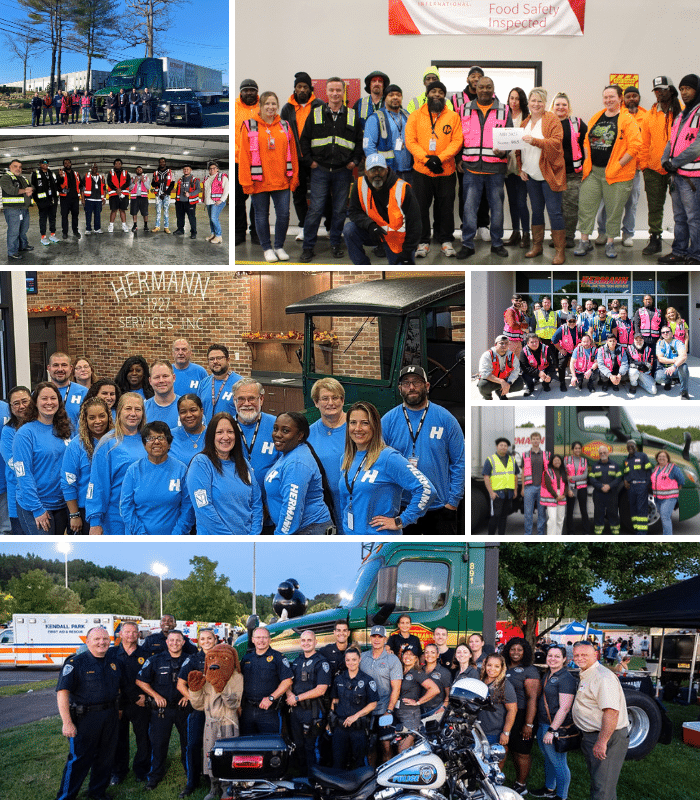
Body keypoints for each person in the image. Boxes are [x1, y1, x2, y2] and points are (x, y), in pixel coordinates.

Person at [382, 365, 464, 535]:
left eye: (416, 382)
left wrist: (453, 502)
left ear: (426, 386)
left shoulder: (446, 419)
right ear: (400, 389)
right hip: (402, 508)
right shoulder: (388, 421)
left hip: (440, 508)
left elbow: (459, 462)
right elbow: (379, 463)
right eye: (406, 383)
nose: (411, 387)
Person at [338, 401, 434, 535]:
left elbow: (427, 489)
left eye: (365, 423)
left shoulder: (388, 457)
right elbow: (346, 499)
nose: (357, 428)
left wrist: (401, 521)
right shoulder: (346, 458)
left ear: (375, 426)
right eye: (353, 422)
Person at [298, 77, 363, 262]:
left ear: (344, 93)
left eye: (338, 90)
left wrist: (355, 161)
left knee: (340, 210)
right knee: (316, 210)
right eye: (331, 90)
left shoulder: (352, 115)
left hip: (343, 171)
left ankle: (335, 243)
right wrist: (309, 161)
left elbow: (359, 141)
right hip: (320, 171)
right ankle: (308, 247)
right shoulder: (315, 113)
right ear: (325, 92)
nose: (335, 93)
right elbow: (304, 140)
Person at [574, 84, 642, 259]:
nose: (608, 100)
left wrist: (618, 165)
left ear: (620, 98)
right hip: (593, 172)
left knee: (614, 210)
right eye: (605, 97)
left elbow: (635, 147)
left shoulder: (627, 119)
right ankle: (584, 241)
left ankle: (610, 243)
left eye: (612, 97)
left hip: (618, 175)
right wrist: (588, 160)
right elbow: (587, 141)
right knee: (586, 206)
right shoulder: (597, 116)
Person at [54, 627, 122, 800]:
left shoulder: (113, 662)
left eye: (105, 639)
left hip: (109, 716)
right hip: (85, 718)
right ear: (87, 641)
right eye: (97, 639)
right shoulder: (75, 663)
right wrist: (67, 722)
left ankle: (97, 792)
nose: (102, 642)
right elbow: (62, 692)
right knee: (79, 760)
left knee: (106, 758)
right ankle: (65, 797)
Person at [406, 79, 463, 258]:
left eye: (440, 92)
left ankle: (445, 241)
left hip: (446, 170)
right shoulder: (415, 115)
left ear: (444, 95)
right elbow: (410, 141)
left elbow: (457, 141)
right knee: (421, 207)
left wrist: (439, 159)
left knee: (445, 207)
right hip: (421, 171)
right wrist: (426, 160)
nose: (437, 94)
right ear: (427, 94)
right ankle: (422, 242)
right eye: (433, 91)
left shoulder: (453, 116)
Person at [239, 91, 298, 262]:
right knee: (261, 215)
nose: (270, 107)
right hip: (259, 182)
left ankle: (279, 246)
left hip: (281, 180)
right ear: (260, 106)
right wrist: (246, 182)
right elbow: (244, 156)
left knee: (284, 215)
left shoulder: (285, 126)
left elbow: (292, 154)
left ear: (277, 106)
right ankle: (267, 248)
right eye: (267, 104)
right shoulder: (249, 126)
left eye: (274, 104)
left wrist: (294, 177)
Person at [457, 75, 511, 259]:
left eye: (488, 87)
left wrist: (505, 151)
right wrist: (458, 158)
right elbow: (458, 138)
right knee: (469, 208)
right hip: (471, 168)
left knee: (497, 209)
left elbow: (510, 137)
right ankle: (467, 244)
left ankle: (497, 244)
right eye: (481, 87)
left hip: (495, 169)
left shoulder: (504, 110)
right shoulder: (463, 109)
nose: (485, 90)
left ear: (493, 88)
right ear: (475, 88)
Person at [186, 412, 263, 535]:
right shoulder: (201, 463)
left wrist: (252, 537)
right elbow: (204, 508)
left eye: (230, 432)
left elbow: (256, 502)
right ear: (211, 436)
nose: (226, 437)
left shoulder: (243, 463)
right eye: (219, 432)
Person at [572, 641, 629, 800]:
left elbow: (611, 712)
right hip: (593, 736)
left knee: (602, 788)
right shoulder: (588, 672)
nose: (579, 658)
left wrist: (602, 741)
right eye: (576, 655)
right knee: (600, 782)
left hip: (607, 737)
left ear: (595, 655)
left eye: (584, 655)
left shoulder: (602, 677)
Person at [135, 629, 191, 791]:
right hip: (161, 711)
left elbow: (200, 681)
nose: (174, 643)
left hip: (184, 709)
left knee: (188, 744)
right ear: (167, 642)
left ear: (183, 642)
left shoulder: (190, 660)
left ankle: (191, 775)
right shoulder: (155, 660)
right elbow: (140, 680)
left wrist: (189, 696)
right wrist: (155, 695)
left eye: (178, 640)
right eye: (171, 640)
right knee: (158, 745)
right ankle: (154, 777)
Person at [186, 642, 243, 800]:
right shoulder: (208, 676)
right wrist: (195, 689)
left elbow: (234, 703)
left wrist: (221, 686)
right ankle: (214, 786)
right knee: (210, 754)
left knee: (227, 755)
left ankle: (227, 786)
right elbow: (197, 705)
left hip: (228, 723)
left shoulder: (236, 677)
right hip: (210, 723)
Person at [516, 87, 567, 264]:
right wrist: (520, 168)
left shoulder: (551, 119)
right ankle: (537, 246)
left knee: (554, 213)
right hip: (531, 175)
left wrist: (535, 141)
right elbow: (519, 148)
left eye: (540, 101)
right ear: (528, 102)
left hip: (550, 174)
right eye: (533, 100)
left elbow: (556, 142)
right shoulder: (525, 123)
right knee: (536, 211)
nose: (536, 104)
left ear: (545, 103)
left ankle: (560, 251)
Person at [86, 392, 147, 535]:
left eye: (137, 409)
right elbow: (98, 484)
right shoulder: (108, 444)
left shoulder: (148, 441)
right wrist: (95, 521)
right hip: (116, 517)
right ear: (119, 412)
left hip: (145, 516)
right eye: (128, 408)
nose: (133, 413)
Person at [13, 382, 71, 535]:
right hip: (35, 506)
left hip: (61, 504)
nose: (49, 402)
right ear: (36, 402)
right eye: (44, 398)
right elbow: (23, 473)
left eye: (53, 398)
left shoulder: (66, 429)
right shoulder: (25, 433)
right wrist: (37, 508)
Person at [593, 85, 646, 248]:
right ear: (624, 98)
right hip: (611, 169)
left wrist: (641, 164)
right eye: (629, 96)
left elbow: (644, 144)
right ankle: (603, 232)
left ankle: (627, 234)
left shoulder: (646, 116)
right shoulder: (610, 116)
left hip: (633, 170)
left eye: (634, 96)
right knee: (606, 203)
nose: (632, 99)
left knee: (631, 203)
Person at [265, 411, 334, 535]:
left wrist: (280, 537)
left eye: (285, 431)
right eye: (275, 429)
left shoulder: (296, 463)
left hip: (309, 530)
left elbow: (292, 508)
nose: (277, 434)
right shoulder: (290, 453)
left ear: (300, 435)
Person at [344, 153, 420, 264]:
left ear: (387, 169)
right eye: (372, 170)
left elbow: (415, 223)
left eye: (380, 169)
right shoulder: (359, 185)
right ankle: (363, 269)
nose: (377, 174)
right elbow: (354, 212)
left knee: (401, 274)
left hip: (396, 240)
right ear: (366, 172)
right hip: (373, 233)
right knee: (349, 230)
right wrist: (370, 225)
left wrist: (407, 251)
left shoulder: (403, 188)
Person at [120, 421, 193, 535]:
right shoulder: (133, 471)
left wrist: (177, 536)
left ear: (169, 444)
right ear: (144, 444)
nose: (156, 442)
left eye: (161, 437)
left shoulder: (182, 470)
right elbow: (126, 508)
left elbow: (188, 507)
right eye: (150, 438)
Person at [658, 74, 700, 265]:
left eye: (688, 88)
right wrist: (665, 160)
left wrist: (674, 163)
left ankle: (696, 254)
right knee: (680, 218)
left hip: (693, 177)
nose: (684, 92)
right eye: (682, 89)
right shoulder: (683, 114)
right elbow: (672, 140)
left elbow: (697, 146)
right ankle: (679, 251)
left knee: (694, 218)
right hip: (677, 177)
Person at [176, 628, 220, 797]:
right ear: (198, 641)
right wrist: (194, 700)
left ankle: (214, 779)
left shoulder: (222, 658)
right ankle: (191, 782)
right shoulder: (192, 659)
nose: (206, 641)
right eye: (203, 638)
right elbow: (181, 684)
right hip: (199, 710)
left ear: (215, 639)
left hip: (217, 709)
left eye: (210, 638)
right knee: (193, 744)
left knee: (216, 745)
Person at [640, 77, 681, 256]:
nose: (659, 93)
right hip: (653, 170)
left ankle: (681, 242)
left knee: (681, 208)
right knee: (654, 206)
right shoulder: (649, 115)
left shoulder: (683, 112)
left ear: (671, 90)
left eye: (663, 89)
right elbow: (643, 143)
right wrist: (643, 165)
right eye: (656, 90)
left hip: (678, 170)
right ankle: (655, 239)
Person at [280, 71, 325, 234]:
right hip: (295, 159)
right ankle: (305, 227)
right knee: (298, 195)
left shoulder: (319, 105)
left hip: (316, 160)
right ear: (295, 89)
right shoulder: (287, 108)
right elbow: (283, 133)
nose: (302, 90)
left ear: (310, 89)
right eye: (299, 86)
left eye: (305, 87)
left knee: (321, 194)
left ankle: (326, 226)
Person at [233, 378, 280, 531]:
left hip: (271, 513)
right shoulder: (224, 429)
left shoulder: (278, 426)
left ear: (261, 399)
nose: (246, 403)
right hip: (235, 514)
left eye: (251, 398)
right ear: (234, 401)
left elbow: (285, 469)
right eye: (241, 399)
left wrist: (267, 505)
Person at [108, 620, 151, 787]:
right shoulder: (111, 654)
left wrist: (146, 698)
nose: (131, 635)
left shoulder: (146, 654)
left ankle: (142, 770)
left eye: (134, 632)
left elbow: (150, 678)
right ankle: (118, 772)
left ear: (138, 634)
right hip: (118, 705)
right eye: (127, 632)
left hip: (139, 704)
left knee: (143, 738)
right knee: (118, 739)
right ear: (120, 634)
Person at [531, 645, 577, 800]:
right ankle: (549, 789)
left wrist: (551, 730)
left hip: (554, 726)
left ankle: (561, 796)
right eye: (550, 655)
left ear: (564, 659)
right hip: (543, 723)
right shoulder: (547, 674)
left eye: (557, 656)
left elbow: (564, 708)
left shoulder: (566, 679)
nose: (552, 659)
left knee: (559, 763)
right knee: (549, 759)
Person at [62, 397, 113, 535]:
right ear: (85, 419)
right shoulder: (76, 445)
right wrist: (74, 515)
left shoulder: (116, 441)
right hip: (83, 511)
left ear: (109, 416)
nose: (98, 421)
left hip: (111, 510)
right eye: (92, 417)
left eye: (102, 416)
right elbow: (68, 482)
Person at [285, 630, 331, 775]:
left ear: (315, 642)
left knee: (312, 747)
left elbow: (321, 689)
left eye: (309, 640)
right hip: (296, 711)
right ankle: (303, 778)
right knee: (299, 746)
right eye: (303, 640)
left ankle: (316, 780)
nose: (306, 643)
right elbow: (288, 681)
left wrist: (297, 698)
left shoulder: (322, 662)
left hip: (313, 711)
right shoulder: (297, 661)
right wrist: (289, 693)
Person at [307, 378, 346, 534]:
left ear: (342, 400)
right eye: (325, 398)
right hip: (325, 509)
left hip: (355, 505)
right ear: (316, 403)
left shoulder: (358, 428)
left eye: (335, 397)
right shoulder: (309, 434)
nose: (331, 402)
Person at [359, 625, 402, 765]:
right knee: (369, 748)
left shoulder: (392, 660)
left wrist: (389, 711)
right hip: (365, 710)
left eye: (380, 637)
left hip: (384, 709)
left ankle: (386, 779)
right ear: (370, 638)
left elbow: (396, 688)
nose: (377, 640)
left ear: (385, 639)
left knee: (386, 747)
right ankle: (370, 779)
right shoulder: (362, 657)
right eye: (374, 636)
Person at [330, 646, 378, 769]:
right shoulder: (339, 679)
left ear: (359, 659)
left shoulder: (367, 680)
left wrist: (355, 716)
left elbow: (373, 704)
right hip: (340, 728)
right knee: (338, 761)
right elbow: (334, 700)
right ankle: (339, 787)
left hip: (358, 729)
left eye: (354, 660)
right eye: (348, 660)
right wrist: (330, 719)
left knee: (359, 762)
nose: (351, 663)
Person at [503, 638, 540, 797]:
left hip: (523, 714)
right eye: (512, 649)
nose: (515, 652)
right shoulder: (503, 666)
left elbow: (532, 698)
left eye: (519, 650)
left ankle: (521, 784)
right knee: (506, 749)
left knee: (521, 752)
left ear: (525, 652)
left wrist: (529, 724)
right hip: (505, 713)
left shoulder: (529, 670)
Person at [239, 626, 293, 734]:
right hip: (248, 710)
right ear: (253, 639)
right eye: (258, 637)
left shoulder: (278, 657)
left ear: (269, 639)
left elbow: (287, 681)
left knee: (270, 746)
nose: (261, 640)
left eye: (264, 637)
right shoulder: (246, 659)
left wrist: (271, 698)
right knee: (248, 745)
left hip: (269, 711)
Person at [364, 84, 413, 180]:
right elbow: (369, 146)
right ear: (384, 98)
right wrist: (378, 169)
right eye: (391, 95)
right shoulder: (375, 118)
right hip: (387, 171)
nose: (395, 97)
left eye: (398, 95)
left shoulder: (408, 116)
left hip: (409, 171)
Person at [1, 386, 32, 535]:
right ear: (11, 408)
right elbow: (14, 464)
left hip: (46, 496)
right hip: (19, 497)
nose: (21, 406)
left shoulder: (42, 425)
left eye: (25, 401)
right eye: (16, 403)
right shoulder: (8, 431)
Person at [395, 649, 439, 752]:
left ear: (416, 659)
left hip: (410, 715)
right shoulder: (399, 671)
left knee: (402, 750)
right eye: (405, 654)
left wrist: (418, 702)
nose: (408, 656)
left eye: (411, 654)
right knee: (397, 747)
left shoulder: (417, 672)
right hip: (397, 713)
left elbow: (434, 689)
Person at [478, 654, 517, 765]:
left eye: (496, 666)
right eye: (489, 665)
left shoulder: (505, 686)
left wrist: (506, 732)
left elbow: (512, 710)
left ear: (502, 668)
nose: (492, 669)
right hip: (477, 730)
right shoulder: (480, 680)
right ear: (485, 666)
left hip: (494, 732)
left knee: (493, 764)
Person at [505, 87, 531, 248]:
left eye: (517, 98)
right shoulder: (504, 115)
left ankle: (526, 234)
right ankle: (515, 232)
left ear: (522, 101)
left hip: (522, 166)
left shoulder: (527, 118)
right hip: (507, 165)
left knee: (522, 202)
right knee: (512, 202)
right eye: (511, 98)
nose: (513, 101)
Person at [235, 78, 260, 246]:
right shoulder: (233, 108)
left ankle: (257, 233)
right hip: (238, 161)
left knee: (258, 200)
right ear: (241, 92)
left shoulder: (263, 106)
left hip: (259, 162)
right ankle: (239, 233)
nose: (249, 92)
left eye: (252, 90)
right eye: (246, 90)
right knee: (238, 200)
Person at [483, 437, 519, 534]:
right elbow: (486, 477)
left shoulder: (512, 460)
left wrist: (515, 490)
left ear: (507, 447)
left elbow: (515, 476)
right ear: (497, 447)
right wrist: (491, 492)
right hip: (497, 494)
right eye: (501, 445)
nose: (503, 447)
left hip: (509, 493)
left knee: (504, 517)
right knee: (495, 516)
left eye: (505, 446)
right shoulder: (490, 459)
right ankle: (491, 538)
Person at [197, 344, 243, 420]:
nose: (215, 361)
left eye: (219, 358)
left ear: (228, 360)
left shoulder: (240, 384)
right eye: (211, 359)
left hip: (230, 431)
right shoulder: (203, 383)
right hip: (207, 431)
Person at [1, 158, 33, 260]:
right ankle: (12, 252)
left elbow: (31, 186)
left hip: (24, 208)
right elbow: (11, 190)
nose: (18, 169)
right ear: (10, 167)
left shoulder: (23, 178)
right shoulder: (5, 178)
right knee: (14, 231)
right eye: (15, 166)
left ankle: (23, 246)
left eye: (20, 167)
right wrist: (26, 190)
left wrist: (31, 189)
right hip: (12, 209)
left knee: (23, 229)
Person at [47, 351, 88, 431]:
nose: (60, 369)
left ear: (71, 368)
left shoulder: (84, 392)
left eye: (64, 365)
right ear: (49, 368)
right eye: (56, 365)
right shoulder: (39, 394)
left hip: (75, 441)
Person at [520, 430, 549, 535]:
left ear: (540, 440)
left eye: (537, 439)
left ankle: (540, 533)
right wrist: (523, 488)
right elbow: (523, 473)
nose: (535, 441)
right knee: (528, 513)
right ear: (530, 440)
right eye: (533, 439)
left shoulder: (546, 454)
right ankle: (528, 534)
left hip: (542, 487)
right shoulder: (525, 455)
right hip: (529, 488)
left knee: (542, 513)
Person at [477, 335, 524, 400]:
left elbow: (516, 370)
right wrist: (501, 381)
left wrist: (509, 383)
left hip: (505, 379)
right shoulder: (487, 355)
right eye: (501, 343)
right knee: (483, 385)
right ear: (495, 344)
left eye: (506, 343)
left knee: (519, 383)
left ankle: (501, 392)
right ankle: (488, 397)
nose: (504, 345)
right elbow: (484, 373)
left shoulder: (512, 355)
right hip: (492, 380)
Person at [651, 449, 686, 535]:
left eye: (664, 456)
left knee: (665, 517)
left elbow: (681, 480)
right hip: (658, 499)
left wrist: (676, 491)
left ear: (667, 458)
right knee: (664, 518)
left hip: (669, 498)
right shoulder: (656, 468)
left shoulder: (672, 468)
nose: (661, 458)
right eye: (659, 456)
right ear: (657, 458)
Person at [590, 445, 622, 535]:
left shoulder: (615, 465)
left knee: (613, 512)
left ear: (608, 453)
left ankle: (615, 531)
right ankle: (598, 531)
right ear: (599, 454)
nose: (602, 454)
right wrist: (601, 486)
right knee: (598, 512)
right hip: (599, 493)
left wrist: (609, 486)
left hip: (611, 493)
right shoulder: (595, 466)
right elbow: (592, 479)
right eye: (601, 453)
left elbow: (619, 478)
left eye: (604, 452)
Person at [623, 440, 652, 534]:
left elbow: (649, 470)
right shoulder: (626, 460)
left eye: (632, 446)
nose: (630, 447)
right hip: (631, 488)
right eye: (628, 446)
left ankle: (642, 533)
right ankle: (636, 529)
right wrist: (625, 480)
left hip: (641, 486)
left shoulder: (642, 456)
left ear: (636, 446)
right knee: (633, 508)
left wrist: (646, 484)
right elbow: (626, 473)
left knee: (641, 509)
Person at [169, 394, 206, 466]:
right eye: (183, 412)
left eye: (193, 410)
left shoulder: (214, 434)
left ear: (201, 411)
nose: (188, 415)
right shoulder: (169, 436)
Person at [656, 324, 690, 399]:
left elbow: (684, 356)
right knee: (658, 378)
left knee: (684, 367)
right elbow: (660, 359)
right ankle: (668, 381)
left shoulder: (678, 343)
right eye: (663, 332)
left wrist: (674, 366)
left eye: (667, 332)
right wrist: (675, 360)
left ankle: (684, 391)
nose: (665, 334)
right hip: (665, 369)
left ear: (671, 333)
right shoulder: (660, 344)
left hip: (676, 368)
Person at [31, 158, 60, 245]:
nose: (45, 164)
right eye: (43, 163)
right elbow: (33, 187)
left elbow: (56, 184)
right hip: (42, 201)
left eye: (47, 163)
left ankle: (52, 235)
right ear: (40, 164)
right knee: (43, 219)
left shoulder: (52, 173)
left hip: (52, 200)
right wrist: (37, 201)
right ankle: (43, 237)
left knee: (52, 218)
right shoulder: (36, 174)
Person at [551, 314, 584, 391]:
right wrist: (560, 349)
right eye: (570, 321)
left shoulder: (579, 328)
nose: (572, 323)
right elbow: (553, 340)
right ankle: (562, 382)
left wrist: (581, 343)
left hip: (576, 351)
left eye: (574, 321)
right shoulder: (562, 329)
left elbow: (586, 338)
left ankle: (579, 379)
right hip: (565, 350)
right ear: (566, 321)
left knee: (580, 363)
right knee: (562, 364)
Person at [144, 360, 179, 429]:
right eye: (157, 377)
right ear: (150, 381)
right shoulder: (142, 409)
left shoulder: (185, 407)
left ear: (174, 378)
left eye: (165, 376)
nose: (161, 380)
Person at [565, 441, 591, 534]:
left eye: (579, 448)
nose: (577, 450)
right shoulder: (566, 460)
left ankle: (586, 531)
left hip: (582, 488)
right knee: (570, 510)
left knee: (583, 510)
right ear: (572, 450)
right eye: (576, 448)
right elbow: (565, 475)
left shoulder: (584, 460)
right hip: (571, 488)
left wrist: (572, 477)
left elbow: (585, 475)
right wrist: (568, 489)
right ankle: (570, 531)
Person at [422, 643, 452, 720]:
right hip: (419, 710)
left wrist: (443, 707)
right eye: (427, 652)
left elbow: (448, 694)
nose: (429, 655)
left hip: (435, 710)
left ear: (438, 655)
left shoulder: (444, 672)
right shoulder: (419, 670)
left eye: (433, 652)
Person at [541, 454, 568, 535]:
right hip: (552, 496)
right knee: (552, 518)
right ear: (552, 462)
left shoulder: (563, 472)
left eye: (559, 460)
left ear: (561, 462)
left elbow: (566, 484)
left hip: (562, 496)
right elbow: (548, 485)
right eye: (555, 460)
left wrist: (564, 495)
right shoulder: (548, 471)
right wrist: (556, 496)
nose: (557, 462)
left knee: (560, 519)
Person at [203, 161, 228, 245]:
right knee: (211, 219)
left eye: (214, 168)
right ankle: (213, 234)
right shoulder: (207, 178)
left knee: (214, 218)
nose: (212, 170)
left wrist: (222, 200)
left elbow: (227, 189)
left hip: (217, 202)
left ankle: (218, 236)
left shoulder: (222, 177)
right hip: (209, 202)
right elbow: (206, 191)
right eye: (210, 169)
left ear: (217, 169)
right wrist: (205, 201)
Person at [173, 165, 201, 239]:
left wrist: (190, 194)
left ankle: (193, 232)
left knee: (191, 218)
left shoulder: (195, 180)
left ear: (190, 170)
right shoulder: (180, 180)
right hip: (179, 202)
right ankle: (180, 230)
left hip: (190, 202)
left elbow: (198, 190)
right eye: (184, 169)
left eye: (187, 169)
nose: (186, 170)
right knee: (180, 217)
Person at [58, 158, 82, 239]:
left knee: (75, 215)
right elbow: (57, 185)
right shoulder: (61, 173)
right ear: (64, 165)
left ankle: (75, 231)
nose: (67, 164)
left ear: (71, 164)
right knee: (64, 216)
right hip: (64, 199)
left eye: (68, 163)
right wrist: (60, 177)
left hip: (75, 198)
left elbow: (81, 185)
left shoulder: (76, 174)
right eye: (65, 163)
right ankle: (65, 232)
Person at [107, 158, 131, 233]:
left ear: (121, 164)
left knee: (122, 210)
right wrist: (116, 189)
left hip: (124, 194)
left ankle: (124, 225)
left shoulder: (126, 172)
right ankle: (111, 226)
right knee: (113, 210)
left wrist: (121, 189)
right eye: (116, 163)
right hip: (114, 194)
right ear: (114, 165)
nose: (118, 165)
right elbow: (109, 182)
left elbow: (128, 182)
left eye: (119, 163)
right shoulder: (110, 173)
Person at [81, 162, 105, 235]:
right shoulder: (85, 176)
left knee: (97, 215)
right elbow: (81, 188)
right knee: (88, 215)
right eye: (93, 167)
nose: (95, 168)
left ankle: (97, 228)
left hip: (98, 200)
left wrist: (104, 198)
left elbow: (104, 188)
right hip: (89, 199)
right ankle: (88, 229)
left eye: (96, 167)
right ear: (90, 168)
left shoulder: (101, 177)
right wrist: (82, 199)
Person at [151, 157, 175, 233]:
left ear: (165, 163)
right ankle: (157, 226)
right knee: (158, 211)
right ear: (159, 163)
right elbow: (152, 184)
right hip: (158, 195)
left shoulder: (170, 172)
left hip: (166, 195)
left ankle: (166, 227)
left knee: (166, 211)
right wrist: (157, 183)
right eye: (160, 162)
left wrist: (165, 193)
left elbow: (172, 184)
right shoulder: (155, 173)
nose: (162, 163)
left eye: (163, 162)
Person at [503, 294, 529, 358]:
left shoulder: (520, 312)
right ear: (512, 300)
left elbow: (526, 325)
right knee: (509, 360)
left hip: (518, 341)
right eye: (516, 300)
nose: (518, 302)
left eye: (520, 301)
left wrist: (518, 323)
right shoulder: (509, 311)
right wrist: (521, 325)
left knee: (517, 362)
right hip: (510, 341)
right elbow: (512, 325)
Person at [129, 166, 150, 232]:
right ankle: (135, 225)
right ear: (136, 171)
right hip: (134, 197)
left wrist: (144, 181)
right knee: (134, 212)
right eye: (137, 169)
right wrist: (134, 182)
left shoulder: (146, 178)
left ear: (142, 170)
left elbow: (148, 187)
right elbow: (129, 188)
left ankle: (145, 225)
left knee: (145, 213)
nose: (139, 170)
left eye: (140, 169)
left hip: (144, 197)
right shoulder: (132, 179)